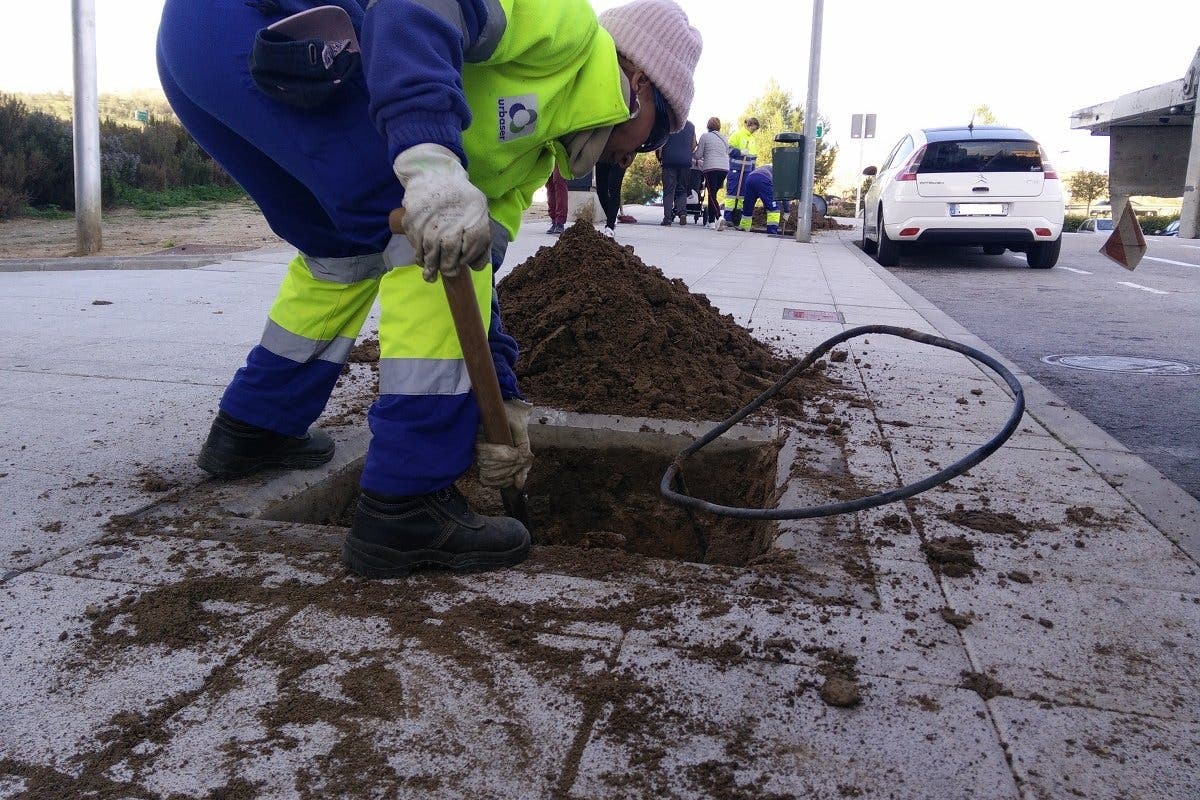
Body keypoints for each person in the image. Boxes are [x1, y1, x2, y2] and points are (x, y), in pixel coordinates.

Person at [157, 0, 702, 578]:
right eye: (656, 136)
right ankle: (406, 500)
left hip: (219, 57)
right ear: (640, 80)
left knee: (341, 254)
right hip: (255, 28)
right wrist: (428, 158)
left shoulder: (528, 163)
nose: (640, 153)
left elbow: (477, 286)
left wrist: (504, 396)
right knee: (425, 241)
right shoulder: (564, 28)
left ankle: (256, 426)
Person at [656, 118, 696, 225]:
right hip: (685, 162)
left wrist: (660, 157)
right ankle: (682, 213)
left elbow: (660, 143)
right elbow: (693, 145)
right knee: (682, 189)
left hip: (669, 161)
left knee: (668, 190)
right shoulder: (691, 126)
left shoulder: (667, 124)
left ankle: (667, 219)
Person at [692, 116, 729, 229]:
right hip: (724, 169)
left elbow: (698, 155)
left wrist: (692, 153)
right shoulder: (724, 138)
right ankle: (711, 222)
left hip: (711, 168)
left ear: (708, 126)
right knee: (713, 195)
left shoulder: (705, 136)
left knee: (712, 195)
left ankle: (719, 217)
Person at [724, 116, 760, 226]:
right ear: (749, 125)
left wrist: (753, 171)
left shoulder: (752, 139)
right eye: (753, 129)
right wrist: (740, 152)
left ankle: (737, 217)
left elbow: (753, 157)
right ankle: (728, 217)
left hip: (747, 170)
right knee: (732, 193)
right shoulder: (737, 135)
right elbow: (728, 149)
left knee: (742, 195)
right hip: (736, 168)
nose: (754, 131)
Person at [738, 164, 780, 234]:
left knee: (748, 206)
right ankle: (772, 231)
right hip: (763, 179)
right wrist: (787, 211)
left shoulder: (765, 167)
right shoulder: (779, 172)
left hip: (750, 178)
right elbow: (782, 195)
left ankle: (744, 228)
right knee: (774, 209)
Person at [595, 161, 627, 238]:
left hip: (621, 155)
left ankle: (610, 227)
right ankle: (611, 217)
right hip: (603, 156)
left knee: (614, 187)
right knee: (601, 190)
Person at [544, 165, 568, 235]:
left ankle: (560, 222)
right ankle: (554, 221)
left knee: (559, 181)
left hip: (560, 155)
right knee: (549, 184)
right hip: (547, 155)